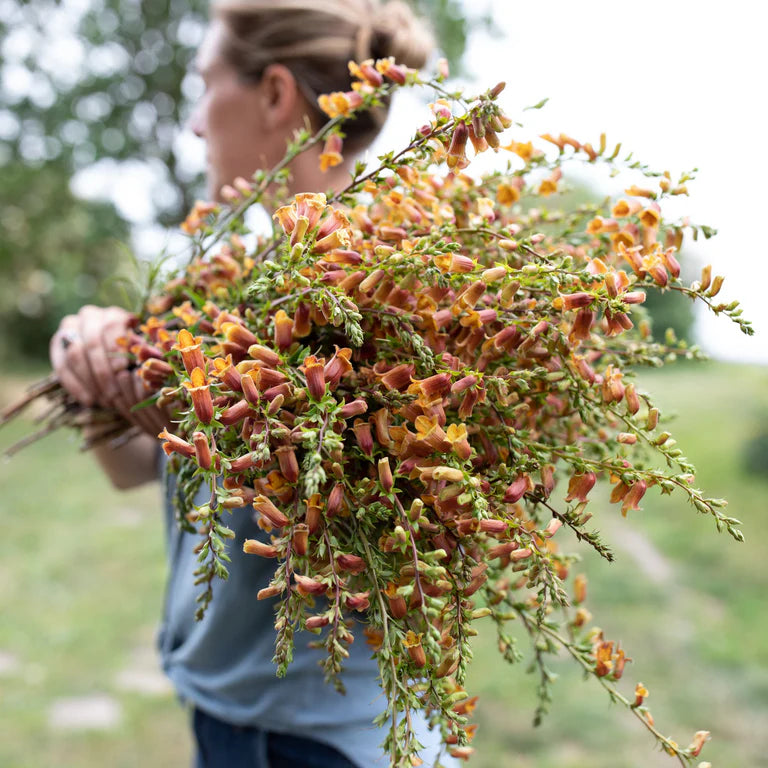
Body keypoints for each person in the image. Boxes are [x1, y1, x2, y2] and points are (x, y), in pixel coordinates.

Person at [49, 2, 455, 766]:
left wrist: (186, 405)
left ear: (274, 95)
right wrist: (92, 368)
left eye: (205, 86)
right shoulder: (225, 285)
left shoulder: (401, 298)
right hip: (235, 714)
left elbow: (331, 495)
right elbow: (134, 468)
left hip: (311, 742)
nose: (198, 124)